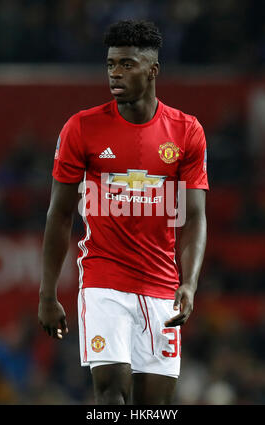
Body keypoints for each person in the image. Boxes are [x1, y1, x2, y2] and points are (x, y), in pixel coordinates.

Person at [38, 20, 208, 405]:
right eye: (111, 64)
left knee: (156, 405)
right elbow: (59, 214)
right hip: (104, 281)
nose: (115, 73)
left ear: (153, 70)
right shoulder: (81, 128)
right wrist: (47, 294)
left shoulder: (186, 132)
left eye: (127, 64)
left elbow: (195, 216)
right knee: (112, 392)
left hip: (162, 286)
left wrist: (190, 282)